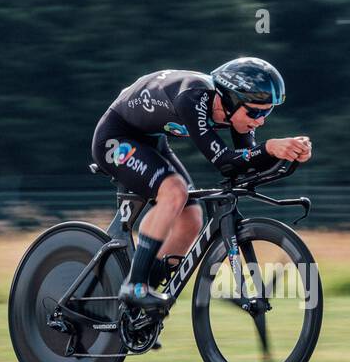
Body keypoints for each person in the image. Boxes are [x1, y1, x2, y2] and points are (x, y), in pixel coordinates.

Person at [90, 57, 312, 310]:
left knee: (192, 218)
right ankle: (134, 286)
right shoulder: (193, 98)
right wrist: (271, 148)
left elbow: (247, 161)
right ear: (230, 99)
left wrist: (289, 152)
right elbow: (226, 162)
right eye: (255, 112)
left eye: (267, 112)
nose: (260, 121)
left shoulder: (235, 113)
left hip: (152, 141)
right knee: (174, 192)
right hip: (117, 137)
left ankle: (136, 305)